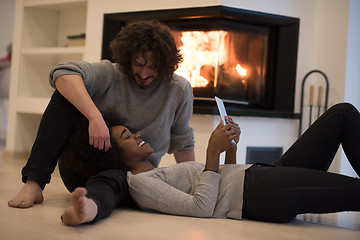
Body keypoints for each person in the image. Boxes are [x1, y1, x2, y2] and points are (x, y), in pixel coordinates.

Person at [61, 102, 360, 226]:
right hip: (260, 195)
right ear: (115, 155)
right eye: (127, 136)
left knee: (342, 114)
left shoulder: (159, 170)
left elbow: (222, 183)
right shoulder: (140, 184)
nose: (137, 134)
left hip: (260, 177)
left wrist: (229, 147)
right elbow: (202, 209)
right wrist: (212, 153)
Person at [8, 20, 195, 209]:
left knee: (117, 181)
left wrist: (192, 183)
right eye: (139, 64)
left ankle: (90, 207)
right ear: (128, 57)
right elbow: (62, 73)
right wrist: (94, 117)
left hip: (133, 179)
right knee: (64, 96)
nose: (144, 73)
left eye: (154, 67)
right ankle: (34, 183)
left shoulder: (178, 90)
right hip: (85, 172)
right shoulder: (111, 73)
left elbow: (183, 142)